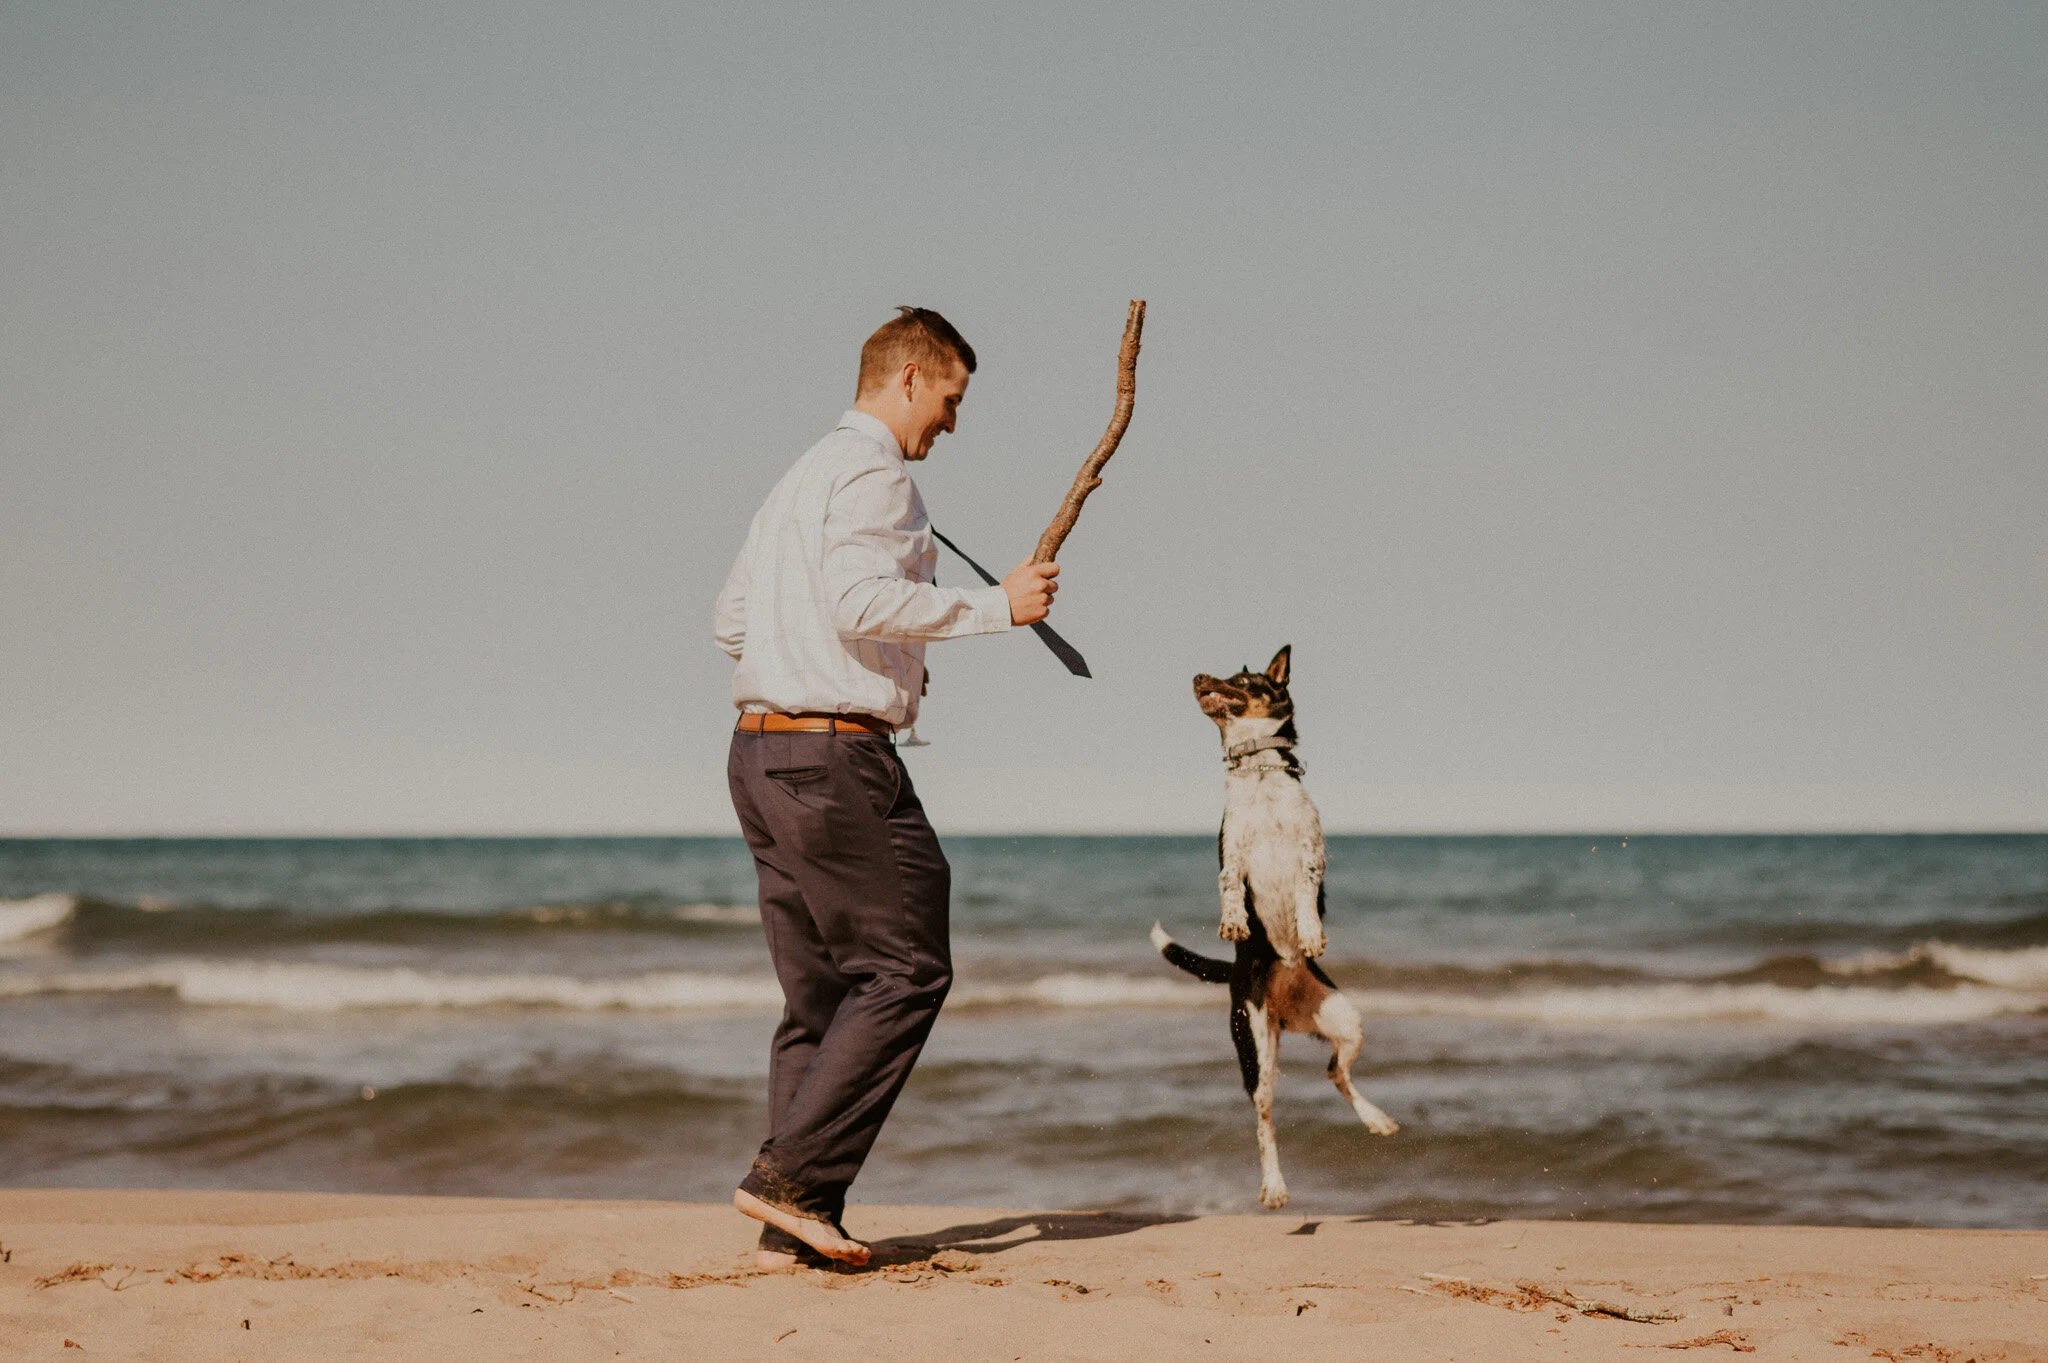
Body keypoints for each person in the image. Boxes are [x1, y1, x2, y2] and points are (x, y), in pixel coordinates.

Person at [712, 307, 1059, 1267]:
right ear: (909, 377)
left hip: (758, 752)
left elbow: (734, 622)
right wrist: (998, 608)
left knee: (819, 995)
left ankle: (793, 1222)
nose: (952, 422)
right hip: (832, 759)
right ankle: (790, 1183)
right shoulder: (878, 473)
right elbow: (859, 599)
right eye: (951, 399)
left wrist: (876, 661)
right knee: (910, 965)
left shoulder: (797, 479)